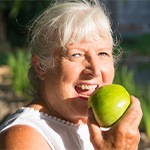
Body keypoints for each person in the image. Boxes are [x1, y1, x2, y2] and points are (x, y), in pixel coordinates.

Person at [0, 0, 142, 149]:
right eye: (76, 55)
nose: (95, 69)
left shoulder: (107, 130)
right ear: (41, 66)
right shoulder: (23, 138)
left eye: (102, 53)